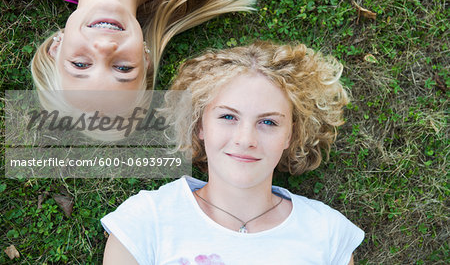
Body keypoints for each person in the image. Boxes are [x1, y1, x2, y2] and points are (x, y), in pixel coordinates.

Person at [101, 41, 364, 264]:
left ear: (290, 135)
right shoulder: (145, 221)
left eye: (268, 122)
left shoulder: (328, 234)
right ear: (199, 125)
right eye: (228, 116)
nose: (245, 139)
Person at [1, 0, 253, 91]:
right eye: (122, 68)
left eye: (80, 64)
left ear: (55, 48)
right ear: (145, 58)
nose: (104, 47)